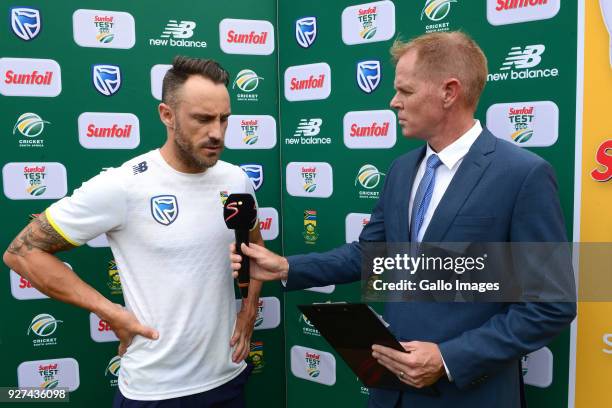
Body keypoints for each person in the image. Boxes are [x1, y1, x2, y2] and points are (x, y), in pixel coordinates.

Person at [230, 32, 576, 407]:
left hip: (468, 396)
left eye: (406, 91)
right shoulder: (401, 170)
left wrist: (448, 359)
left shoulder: (522, 175)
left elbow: (551, 305)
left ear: (449, 92)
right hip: (389, 393)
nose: (394, 101)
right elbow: (370, 256)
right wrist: (284, 267)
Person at [4, 56, 263, 408]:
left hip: (228, 377)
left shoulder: (236, 179)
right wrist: (110, 312)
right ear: (167, 115)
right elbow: (21, 253)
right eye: (202, 119)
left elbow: (255, 249)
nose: (216, 132)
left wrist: (249, 309)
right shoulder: (123, 185)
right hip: (154, 390)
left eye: (224, 119)